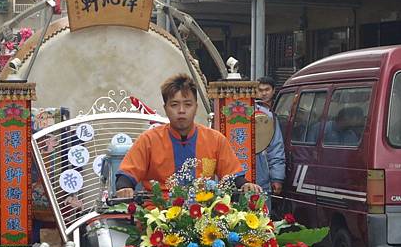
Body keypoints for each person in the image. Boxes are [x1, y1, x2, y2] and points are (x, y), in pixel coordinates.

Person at [116, 74, 262, 198]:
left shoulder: (215, 139)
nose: (181, 110)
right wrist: (124, 188)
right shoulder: (148, 140)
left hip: (205, 214)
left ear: (196, 107)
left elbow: (233, 175)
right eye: (174, 105)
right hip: (157, 214)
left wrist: (245, 185)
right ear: (165, 108)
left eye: (187, 104)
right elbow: (127, 174)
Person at [255, 104, 286, 211]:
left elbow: (276, 148)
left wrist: (277, 177)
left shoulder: (266, 115)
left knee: (261, 223)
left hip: (260, 180)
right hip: (231, 183)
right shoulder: (222, 114)